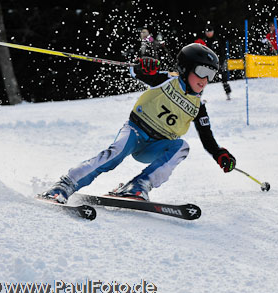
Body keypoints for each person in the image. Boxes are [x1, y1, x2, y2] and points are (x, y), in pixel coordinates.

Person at [42, 43, 236, 203]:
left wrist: (219, 153)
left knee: (182, 147)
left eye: (210, 75)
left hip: (155, 146)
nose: (205, 80)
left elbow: (206, 136)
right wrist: (143, 65)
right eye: (201, 71)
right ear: (185, 68)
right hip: (135, 132)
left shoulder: (198, 106)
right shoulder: (167, 80)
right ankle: (66, 184)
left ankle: (138, 186)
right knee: (114, 155)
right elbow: (138, 72)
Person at [194, 24, 232, 101]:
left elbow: (222, 53)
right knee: (202, 78)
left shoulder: (217, 41)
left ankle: (228, 93)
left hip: (218, 62)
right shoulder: (203, 41)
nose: (208, 33)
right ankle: (198, 95)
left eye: (210, 32)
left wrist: (220, 62)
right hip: (207, 63)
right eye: (207, 32)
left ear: (213, 32)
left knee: (223, 77)